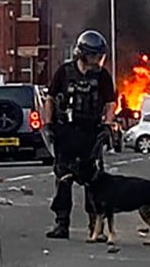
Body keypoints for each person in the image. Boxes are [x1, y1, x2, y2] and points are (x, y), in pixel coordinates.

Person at [42, 30, 116, 241]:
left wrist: (108, 125)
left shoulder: (102, 76)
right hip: (66, 132)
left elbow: (110, 102)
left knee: (93, 181)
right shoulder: (64, 72)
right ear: (82, 54)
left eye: (99, 56)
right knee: (63, 179)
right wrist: (48, 125)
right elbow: (50, 98)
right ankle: (61, 223)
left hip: (90, 133)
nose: (97, 61)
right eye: (93, 56)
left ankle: (95, 227)